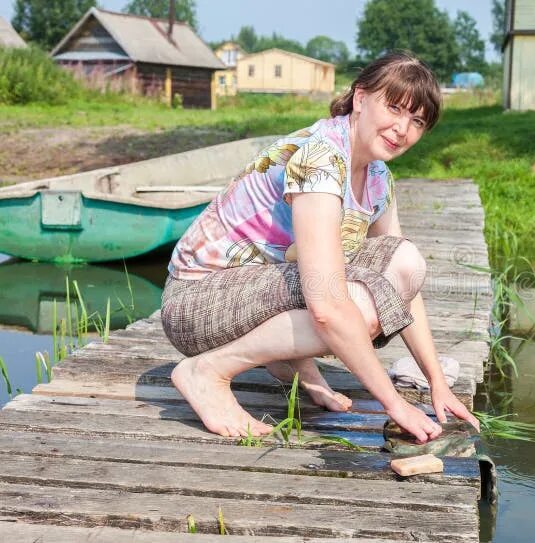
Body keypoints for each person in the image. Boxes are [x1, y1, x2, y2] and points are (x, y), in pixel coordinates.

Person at [161, 51, 480, 443]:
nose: (402, 128)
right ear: (360, 98)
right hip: (196, 303)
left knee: (404, 261)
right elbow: (328, 308)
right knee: (351, 305)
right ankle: (207, 371)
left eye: (416, 121)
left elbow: (404, 286)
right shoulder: (322, 159)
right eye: (393, 108)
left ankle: (290, 361)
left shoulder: (378, 175)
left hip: (256, 289)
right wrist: (395, 404)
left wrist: (436, 382)